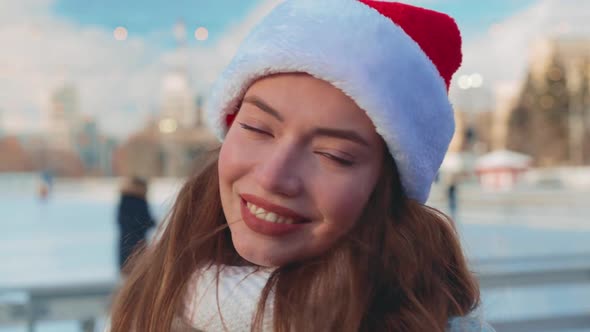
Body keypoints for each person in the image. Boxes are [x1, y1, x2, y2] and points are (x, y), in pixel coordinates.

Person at [109, 1, 495, 331]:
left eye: (333, 155)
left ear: (387, 188)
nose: (273, 175)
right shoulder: (153, 303)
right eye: (257, 128)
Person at [116, 176, 156, 273]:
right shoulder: (139, 202)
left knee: (129, 272)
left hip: (125, 242)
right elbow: (144, 221)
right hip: (137, 244)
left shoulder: (124, 200)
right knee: (139, 273)